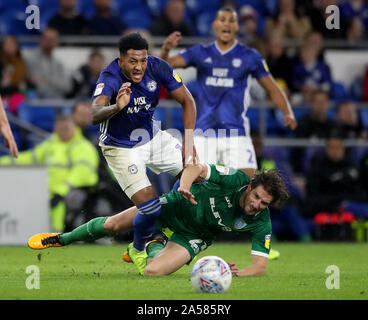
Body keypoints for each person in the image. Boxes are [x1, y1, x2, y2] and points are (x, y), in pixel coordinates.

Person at [28, 163, 290, 277]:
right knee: (112, 225)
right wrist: (184, 187)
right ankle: (60, 239)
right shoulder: (235, 180)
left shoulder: (261, 221)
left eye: (263, 203)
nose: (256, 204)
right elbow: (195, 168)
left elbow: (260, 267)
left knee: (153, 271)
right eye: (256, 196)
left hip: (194, 236)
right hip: (175, 204)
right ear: (250, 187)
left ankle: (155, 240)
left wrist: (234, 274)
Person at [90, 32, 196, 254]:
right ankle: (138, 248)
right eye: (132, 61)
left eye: (143, 60)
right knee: (149, 207)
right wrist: (116, 107)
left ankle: (167, 226)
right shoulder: (110, 76)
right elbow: (94, 113)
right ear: (121, 61)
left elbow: (187, 100)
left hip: (151, 137)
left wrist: (188, 140)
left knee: (196, 174)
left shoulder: (158, 67)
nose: (139, 67)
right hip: (119, 146)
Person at [160, 6, 297, 179]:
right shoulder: (200, 52)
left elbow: (272, 88)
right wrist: (165, 49)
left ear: (237, 26)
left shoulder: (250, 56)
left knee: (247, 183)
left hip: (236, 132)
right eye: (222, 20)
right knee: (198, 185)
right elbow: (165, 65)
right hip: (205, 133)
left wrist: (287, 111)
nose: (226, 24)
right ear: (215, 25)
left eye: (231, 20)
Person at [0, 115, 99, 231]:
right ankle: (43, 234)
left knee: (59, 201)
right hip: (50, 190)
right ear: (55, 129)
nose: (63, 131)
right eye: (60, 128)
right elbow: (29, 157)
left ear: (73, 128)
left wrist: (61, 191)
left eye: (66, 128)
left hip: (76, 189)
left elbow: (82, 173)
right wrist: (3, 161)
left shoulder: (83, 147)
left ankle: (58, 234)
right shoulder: (50, 145)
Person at [25, 28, 71, 99]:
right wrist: (53, 83)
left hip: (57, 101)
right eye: (47, 39)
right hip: (36, 101)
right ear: (41, 40)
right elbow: (33, 83)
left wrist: (47, 80)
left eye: (52, 40)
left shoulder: (59, 63)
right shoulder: (29, 59)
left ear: (57, 42)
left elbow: (67, 87)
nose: (49, 43)